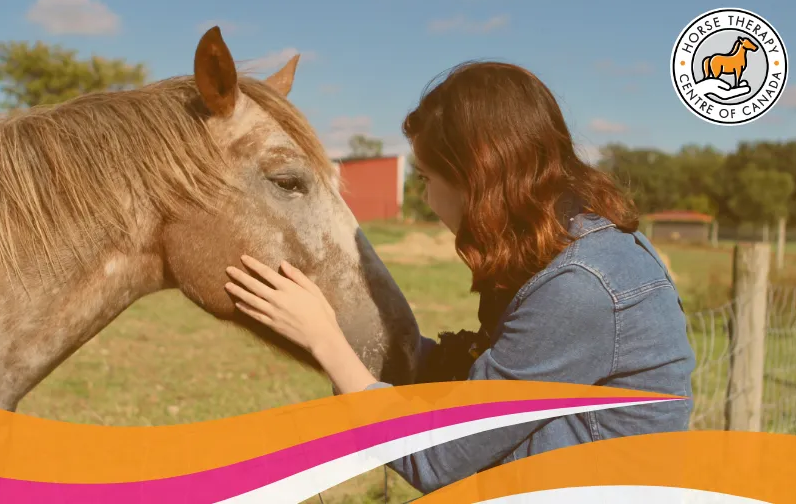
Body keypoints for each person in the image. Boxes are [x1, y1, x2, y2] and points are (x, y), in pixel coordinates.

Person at [222, 60, 696, 494]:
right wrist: (359, 328)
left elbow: (440, 456)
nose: (426, 199)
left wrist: (326, 342)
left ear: (477, 176)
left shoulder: (580, 286)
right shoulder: (565, 246)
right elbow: (480, 381)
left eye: (427, 178)